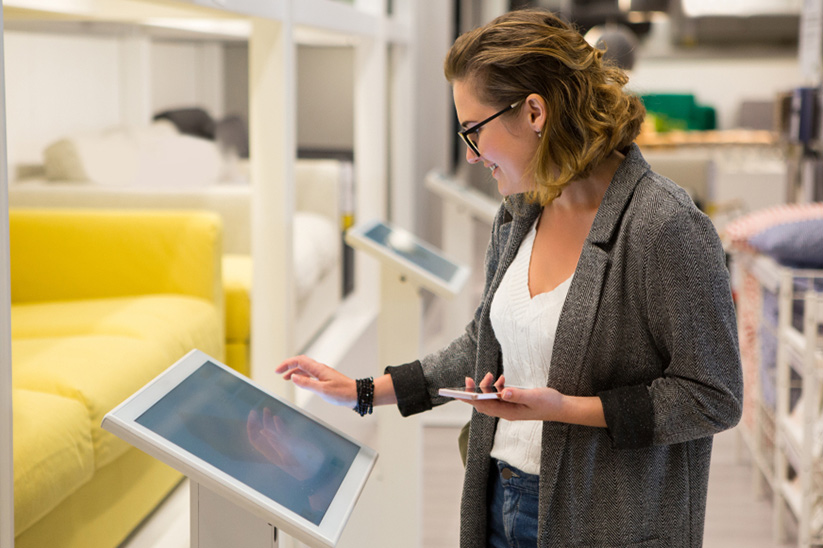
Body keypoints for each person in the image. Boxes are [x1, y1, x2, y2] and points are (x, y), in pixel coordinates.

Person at [275, 8, 743, 548]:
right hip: (501, 499)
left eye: (474, 131)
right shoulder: (522, 210)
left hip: (606, 523)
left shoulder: (664, 226)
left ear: (535, 112)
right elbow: (483, 342)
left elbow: (713, 395)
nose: (471, 156)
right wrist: (362, 390)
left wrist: (565, 410)